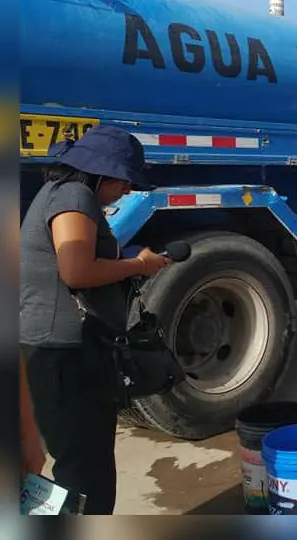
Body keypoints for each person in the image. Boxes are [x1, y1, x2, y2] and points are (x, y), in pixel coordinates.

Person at [20, 125, 171, 514]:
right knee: (87, 476)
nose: (127, 189)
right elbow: (76, 272)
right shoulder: (75, 195)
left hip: (58, 352)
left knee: (81, 466)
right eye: (124, 180)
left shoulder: (61, 194)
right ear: (101, 171)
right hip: (66, 355)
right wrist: (138, 264)